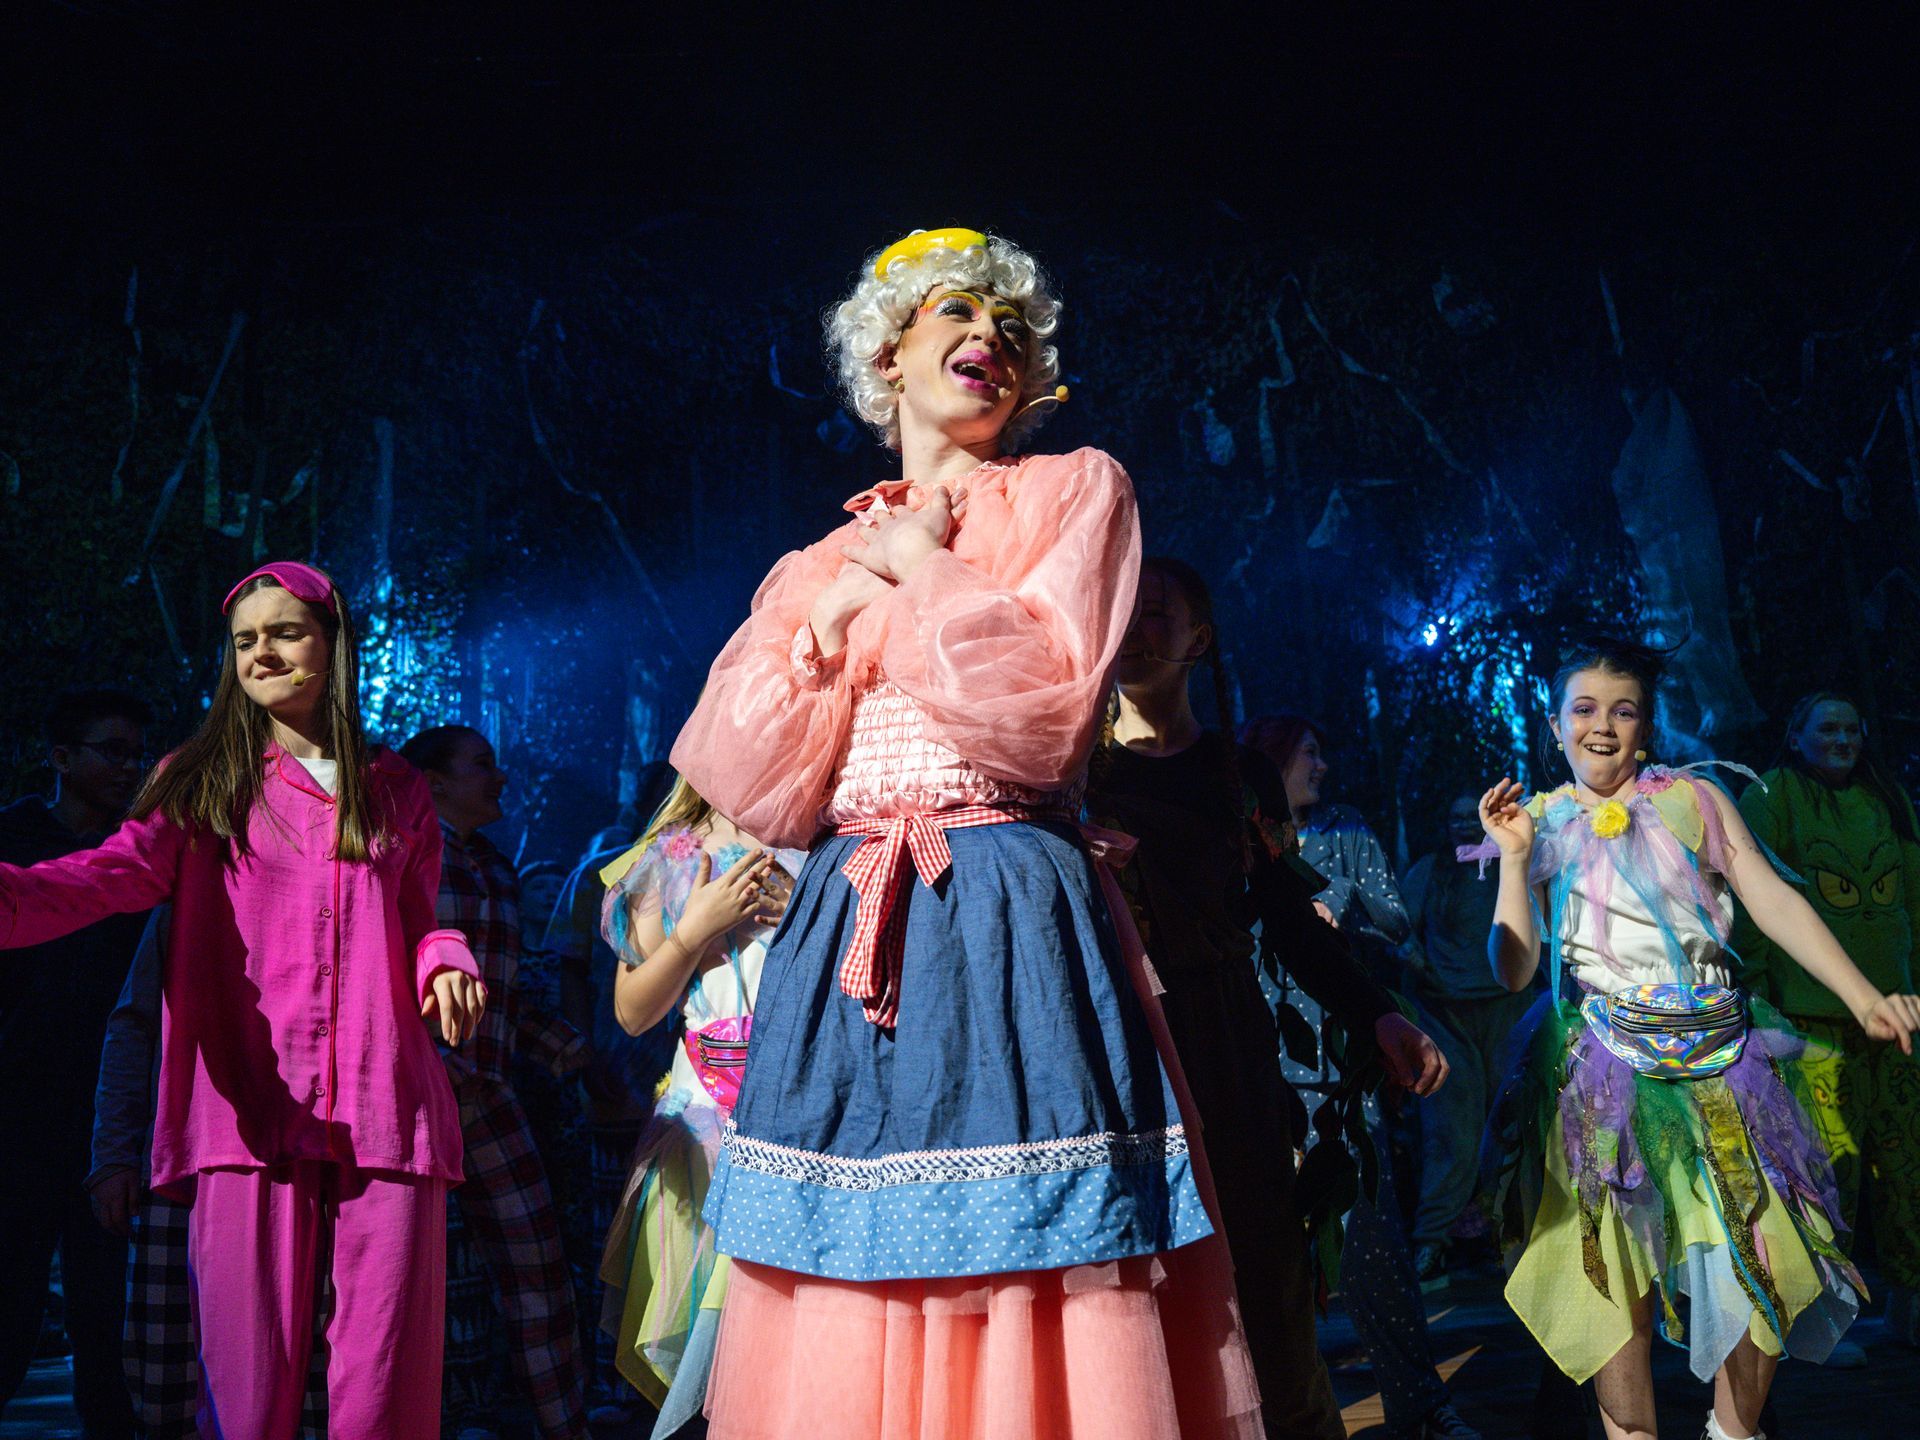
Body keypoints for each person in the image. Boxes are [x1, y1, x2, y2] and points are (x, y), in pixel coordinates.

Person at [669, 227, 1262, 1439]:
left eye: (1012, 327)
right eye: (958, 312)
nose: (990, 337)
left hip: (1000, 898)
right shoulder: (817, 562)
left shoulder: (1070, 492)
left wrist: (917, 574)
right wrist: (836, 604)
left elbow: (1038, 714)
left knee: (1027, 1236)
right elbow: (751, 778)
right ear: (888, 355)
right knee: (855, 1241)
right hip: (854, 915)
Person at [0, 561, 487, 1439]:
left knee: (387, 1386)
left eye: (285, 632)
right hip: (247, 1116)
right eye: (245, 640)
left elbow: (420, 920)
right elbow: (111, 873)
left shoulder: (396, 786)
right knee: (247, 1392)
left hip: (387, 1106)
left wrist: (446, 959)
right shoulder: (200, 778)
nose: (262, 652)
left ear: (333, 643)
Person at [1474, 638, 1920, 1440]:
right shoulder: (1538, 823)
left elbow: (1771, 898)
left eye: (1623, 711)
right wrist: (1513, 861)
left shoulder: (1694, 800)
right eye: (1584, 709)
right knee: (1617, 1290)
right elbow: (1513, 972)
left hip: (1722, 1065)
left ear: (1645, 729)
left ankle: (1732, 1432)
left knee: (1766, 1265)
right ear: (1555, 724)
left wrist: (1863, 997)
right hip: (1610, 1071)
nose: (1602, 726)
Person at [1086, 556, 1462, 1440]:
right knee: (1140, 1283)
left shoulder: (1238, 773)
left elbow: (1290, 917)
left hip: (1228, 1048)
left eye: (1155, 613)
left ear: (1199, 639)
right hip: (1120, 1051)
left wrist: (1378, 1011)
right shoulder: (1076, 771)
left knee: (1267, 1280)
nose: (1133, 630)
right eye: (1120, 612)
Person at [1243, 713, 1477, 1438]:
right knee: (1270, 1257)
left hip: (1342, 1064)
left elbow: (1396, 921)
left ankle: (1422, 1410)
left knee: (1375, 1243)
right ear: (1273, 759)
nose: (1322, 766)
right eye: (1310, 752)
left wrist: (1339, 903)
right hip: (1255, 1065)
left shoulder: (1344, 831)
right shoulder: (1238, 831)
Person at [401, 723, 592, 1440]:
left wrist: (576, 1055)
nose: (500, 777)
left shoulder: (494, 867)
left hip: (488, 1096)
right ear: (433, 782)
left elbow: (504, 997)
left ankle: (564, 1428)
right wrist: (426, 1061)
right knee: (407, 1279)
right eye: (482, 765)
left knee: (537, 1267)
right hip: (414, 1102)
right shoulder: (400, 858)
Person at [595, 776, 801, 1434]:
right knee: (703, 1357)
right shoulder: (671, 856)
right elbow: (632, 1013)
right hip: (702, 1132)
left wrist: (807, 915)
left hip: (803, 1122)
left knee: (787, 1345)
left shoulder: (825, 843)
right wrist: (694, 932)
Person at [87, 907, 329, 1440]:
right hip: (183, 1170)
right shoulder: (193, 896)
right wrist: (113, 1153)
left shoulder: (318, 893)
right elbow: (135, 1022)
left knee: (297, 1377)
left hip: (295, 1168)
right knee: (168, 1382)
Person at [1731, 691, 1920, 1351]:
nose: (1842, 739)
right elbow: (1752, 903)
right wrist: (1759, 1001)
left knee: (1908, 1163)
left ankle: (1908, 1307)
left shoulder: (1886, 799)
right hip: (1810, 1023)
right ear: (1796, 735)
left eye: (1851, 729)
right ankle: (1821, 1325)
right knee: (1825, 1172)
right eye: (1827, 728)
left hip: (1897, 1016)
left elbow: (1914, 901)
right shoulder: (1771, 797)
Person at [0, 688, 153, 1438]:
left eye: (136, 755)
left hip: (111, 1117)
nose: (128, 768)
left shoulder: (144, 857)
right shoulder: (12, 838)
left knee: (109, 1320)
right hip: (18, 1110)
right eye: (112, 751)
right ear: (62, 757)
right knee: (9, 1307)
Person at [546, 824, 678, 1421]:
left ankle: (659, 1386)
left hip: (681, 1078)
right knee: (612, 1228)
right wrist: (587, 1051)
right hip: (617, 1076)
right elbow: (569, 967)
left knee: (668, 1228)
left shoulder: (705, 858)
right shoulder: (603, 871)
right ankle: (611, 1383)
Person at [1400, 792, 1541, 1285]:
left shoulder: (1510, 863)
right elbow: (1400, 927)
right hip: (1447, 1015)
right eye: (1453, 816)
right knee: (1451, 1132)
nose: (1462, 824)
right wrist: (1418, 965)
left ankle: (1514, 1236)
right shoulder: (1430, 871)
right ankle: (1432, 1240)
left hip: (1506, 1009)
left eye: (1470, 816)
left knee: (1512, 1124)